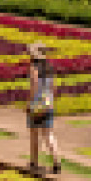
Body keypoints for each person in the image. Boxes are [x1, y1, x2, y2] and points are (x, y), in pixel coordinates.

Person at [26, 43, 60, 174]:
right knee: (48, 134)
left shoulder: (33, 68)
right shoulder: (49, 68)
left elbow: (34, 86)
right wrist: (51, 101)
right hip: (48, 103)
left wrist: (29, 103)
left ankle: (34, 162)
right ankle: (56, 162)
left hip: (37, 104)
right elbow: (54, 87)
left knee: (34, 134)